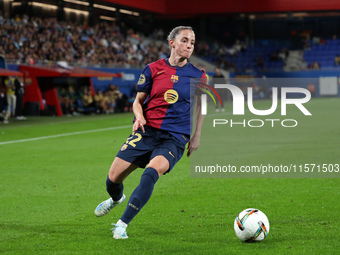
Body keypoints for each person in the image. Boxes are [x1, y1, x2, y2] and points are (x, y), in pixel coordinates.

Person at [94, 26, 206, 239]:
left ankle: (121, 224)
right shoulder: (153, 69)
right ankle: (117, 199)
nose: (189, 45)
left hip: (175, 137)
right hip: (147, 131)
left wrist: (197, 135)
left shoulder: (198, 75)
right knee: (112, 179)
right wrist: (139, 116)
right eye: (184, 40)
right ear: (172, 42)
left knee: (150, 174)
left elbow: (201, 107)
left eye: (192, 42)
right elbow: (138, 101)